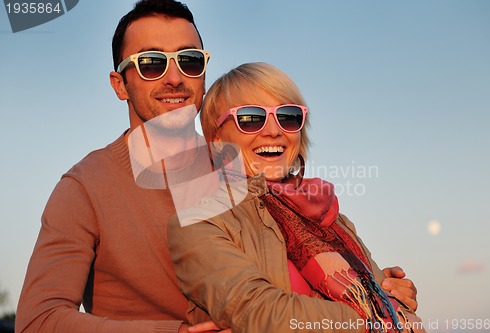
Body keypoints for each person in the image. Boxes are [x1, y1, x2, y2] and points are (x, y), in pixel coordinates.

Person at [15, 0, 417, 332]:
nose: (174, 77)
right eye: (152, 63)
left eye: (189, 60)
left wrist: (381, 287)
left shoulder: (250, 163)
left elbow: (301, 274)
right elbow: (39, 320)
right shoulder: (85, 187)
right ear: (120, 84)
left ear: (204, 74)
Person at [168, 62, 425, 333]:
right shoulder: (199, 219)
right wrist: (381, 316)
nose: (274, 131)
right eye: (251, 118)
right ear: (217, 139)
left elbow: (399, 306)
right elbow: (262, 313)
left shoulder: (331, 217)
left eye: (287, 116)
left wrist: (393, 301)